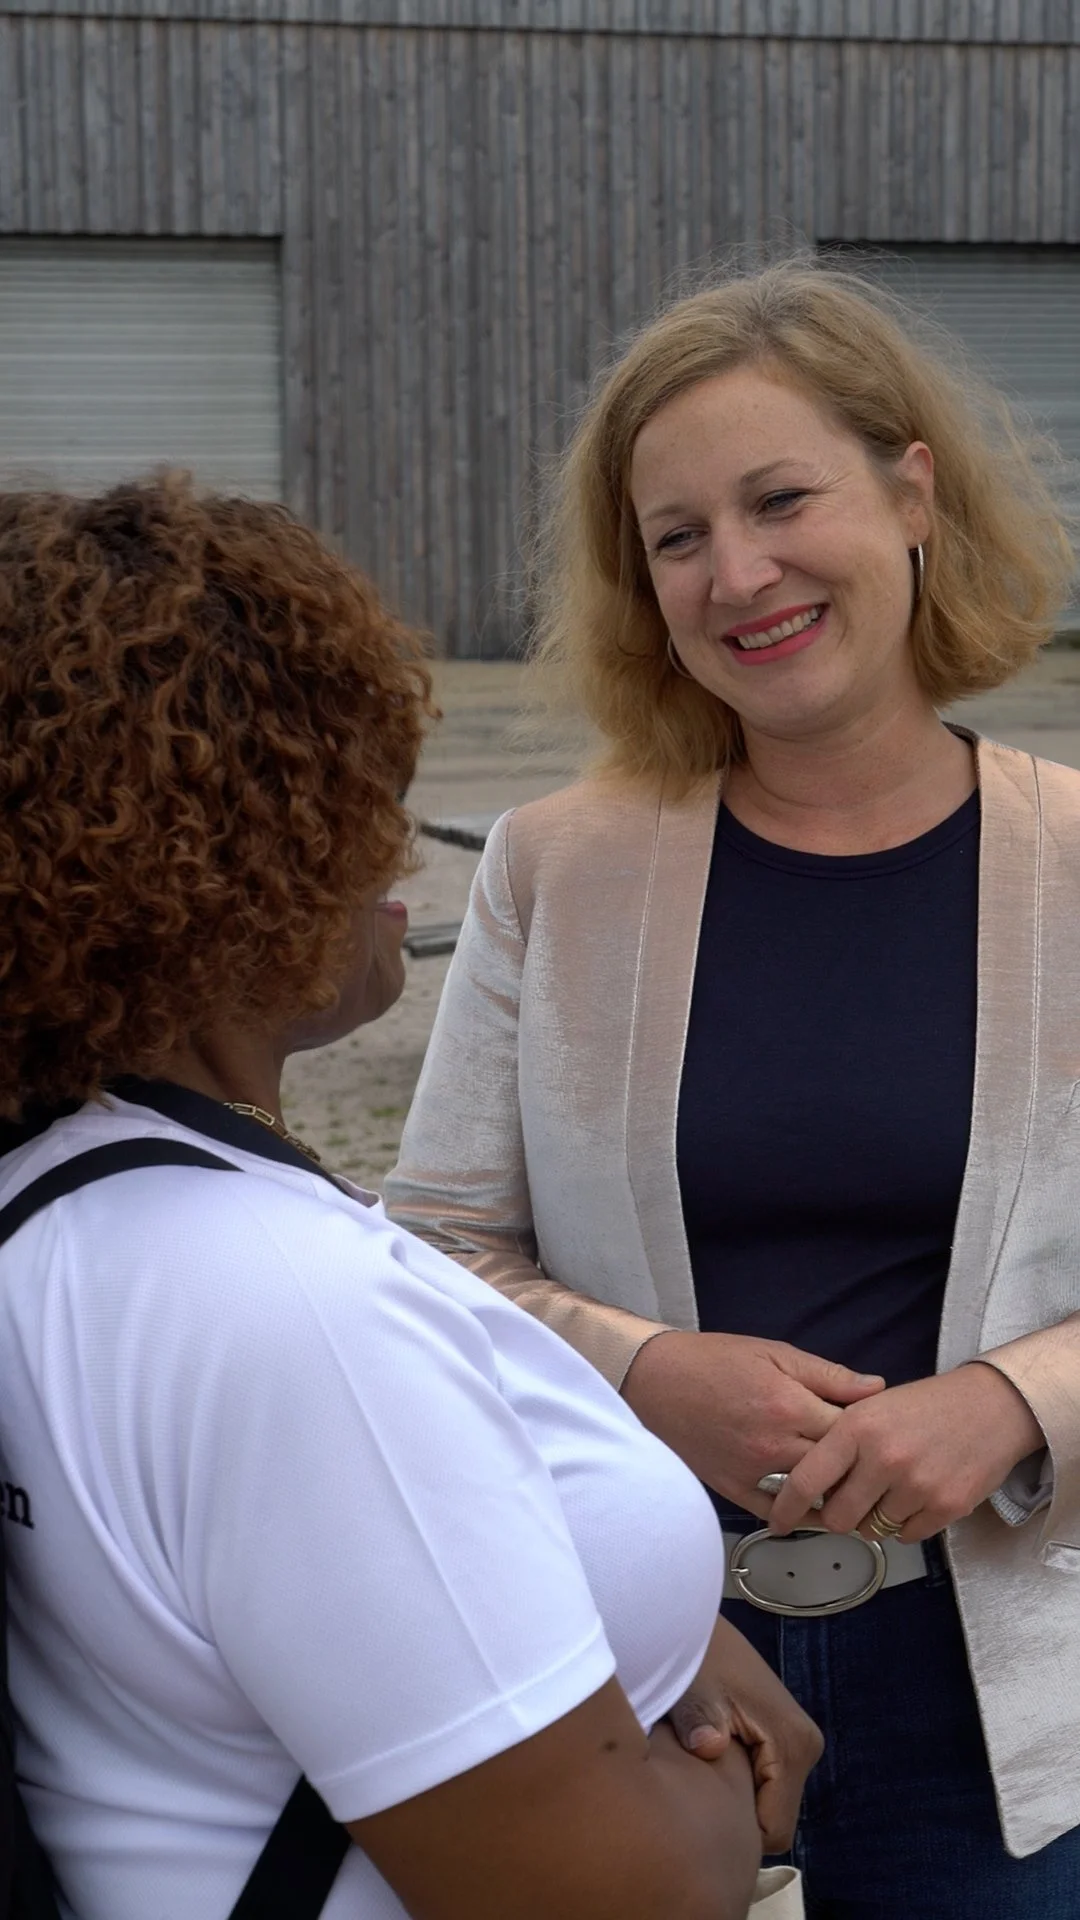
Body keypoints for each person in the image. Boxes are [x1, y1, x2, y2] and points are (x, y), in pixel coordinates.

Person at [0, 475, 818, 1920]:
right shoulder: (286, 1308)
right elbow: (601, 1896)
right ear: (197, 860)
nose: (395, 837)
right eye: (344, 787)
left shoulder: (59, 1190)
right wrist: (718, 1784)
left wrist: (657, 1640)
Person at [386, 259, 1080, 1916]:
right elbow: (427, 1252)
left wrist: (1013, 1402)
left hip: (1005, 1701)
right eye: (678, 536)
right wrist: (645, 1372)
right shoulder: (559, 866)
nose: (738, 573)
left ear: (913, 491)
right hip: (640, 1675)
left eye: (782, 500)